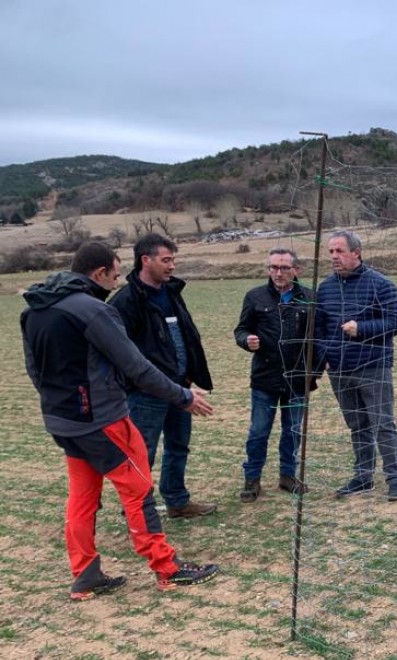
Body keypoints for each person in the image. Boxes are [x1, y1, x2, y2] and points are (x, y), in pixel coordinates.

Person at [21, 242, 220, 599]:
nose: (116, 282)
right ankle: (167, 568)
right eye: (114, 274)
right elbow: (138, 368)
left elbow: (35, 370)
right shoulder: (94, 311)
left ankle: (86, 575)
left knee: (81, 498)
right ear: (98, 273)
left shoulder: (35, 309)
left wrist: (63, 404)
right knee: (138, 489)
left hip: (63, 423)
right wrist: (183, 396)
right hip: (104, 422)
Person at [109, 233, 217, 519]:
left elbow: (185, 337)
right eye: (166, 260)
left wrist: (190, 374)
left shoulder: (172, 292)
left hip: (180, 388)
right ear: (146, 260)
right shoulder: (125, 303)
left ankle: (177, 502)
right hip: (146, 394)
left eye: (173, 260)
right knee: (142, 452)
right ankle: (135, 509)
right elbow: (123, 355)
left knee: (178, 446)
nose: (172, 266)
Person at [315, 230, 397, 500]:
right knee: (357, 425)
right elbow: (321, 329)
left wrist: (362, 329)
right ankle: (363, 476)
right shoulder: (326, 288)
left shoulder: (381, 285)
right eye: (330, 251)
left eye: (339, 251)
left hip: (373, 367)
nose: (334, 256)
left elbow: (396, 322)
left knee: (382, 424)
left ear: (356, 252)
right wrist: (325, 361)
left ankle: (395, 480)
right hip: (340, 370)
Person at [233, 248, 317, 501]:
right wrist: (247, 340)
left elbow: (317, 339)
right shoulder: (255, 296)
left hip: (297, 379)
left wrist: (314, 371)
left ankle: (288, 476)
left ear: (296, 270)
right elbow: (241, 329)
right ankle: (252, 480)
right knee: (259, 431)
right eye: (273, 268)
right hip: (265, 378)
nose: (277, 273)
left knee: (292, 431)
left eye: (283, 268)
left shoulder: (310, 298)